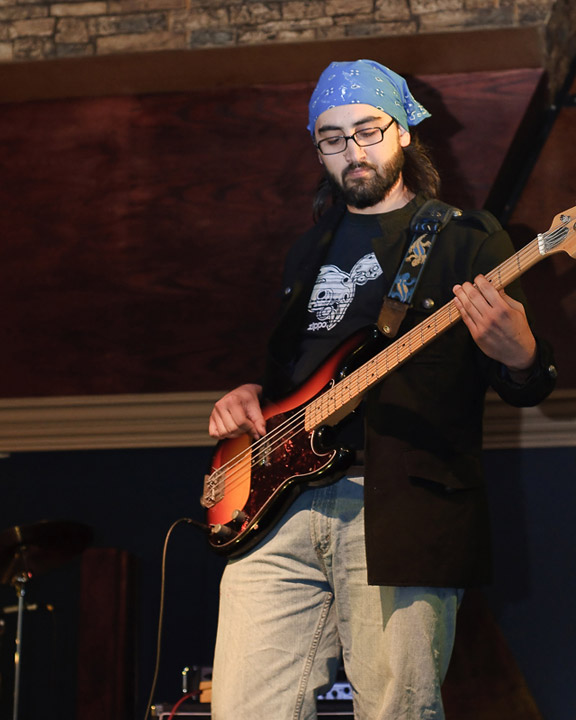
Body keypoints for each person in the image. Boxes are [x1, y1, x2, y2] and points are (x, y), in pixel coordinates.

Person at [207, 59, 557, 720]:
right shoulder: (306, 250)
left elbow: (526, 384)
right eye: (332, 138)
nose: (353, 150)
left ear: (403, 132)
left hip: (397, 507)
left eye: (367, 130)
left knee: (399, 710)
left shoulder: (464, 238)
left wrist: (522, 353)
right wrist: (249, 395)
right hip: (277, 511)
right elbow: (291, 376)